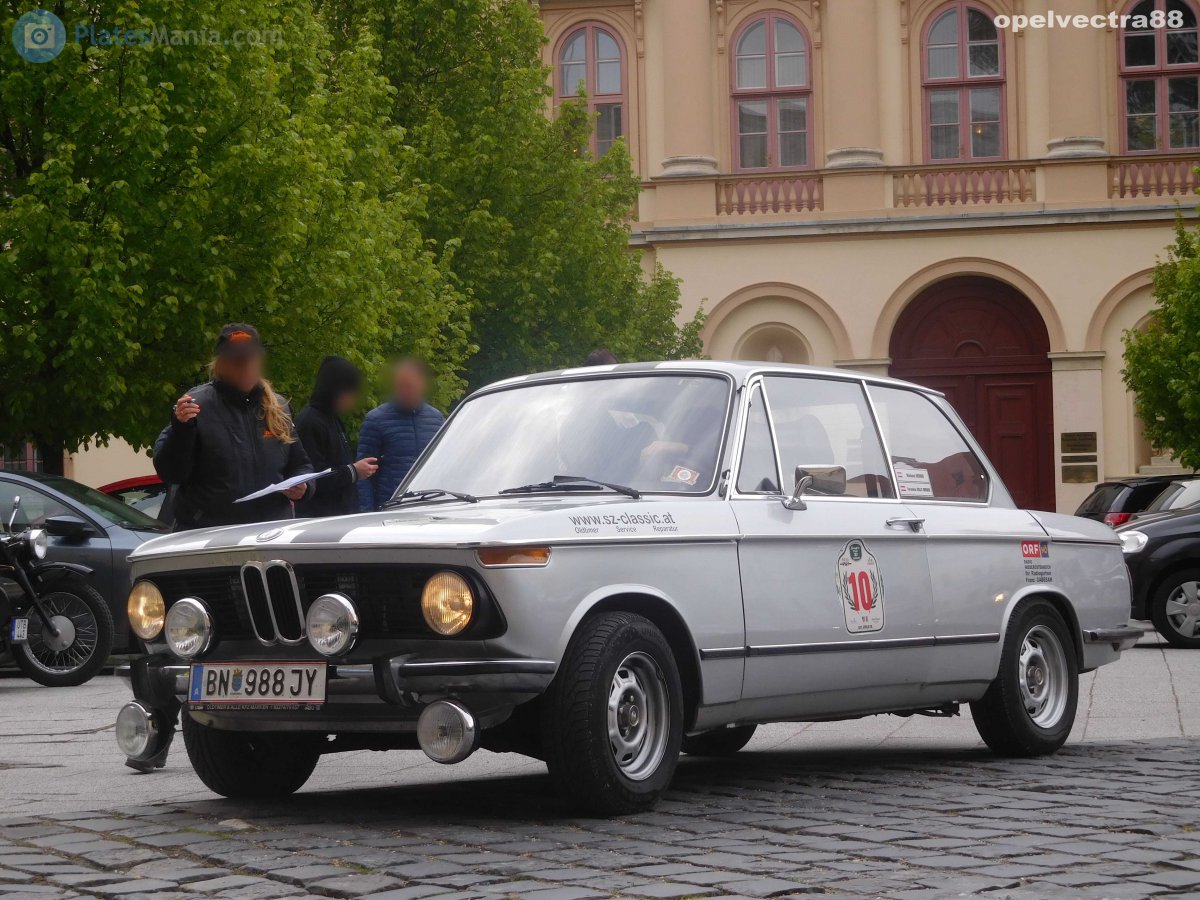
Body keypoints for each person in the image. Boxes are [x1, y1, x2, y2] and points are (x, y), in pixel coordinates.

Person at [154, 323, 313, 530]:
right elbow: (172, 473)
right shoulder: (196, 405)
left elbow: (300, 464)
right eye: (237, 361)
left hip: (270, 532)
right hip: (213, 534)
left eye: (251, 360)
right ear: (221, 364)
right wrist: (182, 430)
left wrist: (304, 487)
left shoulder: (277, 406)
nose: (246, 367)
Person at [356, 358, 444, 511]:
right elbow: (363, 476)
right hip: (392, 509)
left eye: (410, 386)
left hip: (432, 507)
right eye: (402, 386)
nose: (406, 391)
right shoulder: (376, 420)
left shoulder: (437, 420)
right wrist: (367, 515)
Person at [295, 356, 378, 517]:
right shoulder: (309, 422)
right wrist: (354, 471)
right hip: (320, 519)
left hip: (341, 514)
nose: (353, 401)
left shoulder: (332, 418)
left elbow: (337, 463)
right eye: (351, 393)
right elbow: (314, 478)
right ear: (337, 391)